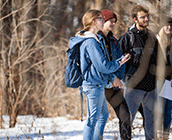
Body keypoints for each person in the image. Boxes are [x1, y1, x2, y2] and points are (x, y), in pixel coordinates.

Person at [68, 9, 130, 140]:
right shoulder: (90, 42)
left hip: (98, 84)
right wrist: (119, 62)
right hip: (93, 85)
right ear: (92, 22)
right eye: (100, 19)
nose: (103, 21)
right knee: (92, 120)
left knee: (102, 116)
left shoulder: (93, 40)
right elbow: (103, 65)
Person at [118, 5, 158, 140]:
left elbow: (159, 59)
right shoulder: (127, 37)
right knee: (127, 119)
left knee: (151, 122)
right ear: (135, 19)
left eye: (147, 17)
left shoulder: (152, 37)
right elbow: (118, 61)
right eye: (142, 17)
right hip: (133, 87)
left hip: (151, 87)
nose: (146, 19)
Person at [97, 9, 131, 140]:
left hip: (114, 85)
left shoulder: (114, 40)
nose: (113, 24)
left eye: (114, 21)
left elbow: (120, 61)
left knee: (125, 115)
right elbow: (100, 64)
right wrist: (113, 78)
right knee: (98, 118)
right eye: (110, 20)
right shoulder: (96, 40)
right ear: (103, 20)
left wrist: (118, 78)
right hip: (100, 83)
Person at [155, 17, 172, 140]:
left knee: (168, 110)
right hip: (160, 80)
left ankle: (165, 135)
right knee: (160, 109)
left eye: (171, 26)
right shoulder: (156, 41)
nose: (169, 27)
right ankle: (158, 135)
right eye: (167, 25)